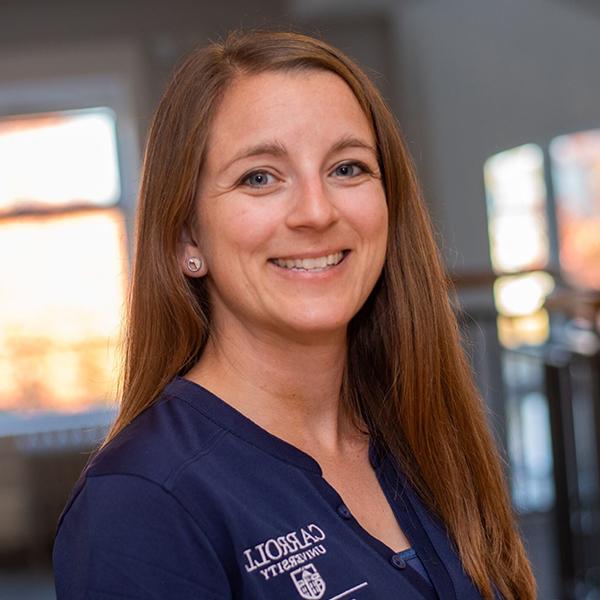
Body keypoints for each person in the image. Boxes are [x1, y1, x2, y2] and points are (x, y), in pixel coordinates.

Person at [53, 30, 536, 600]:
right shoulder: (141, 501)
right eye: (260, 177)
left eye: (348, 168)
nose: (316, 211)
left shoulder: (424, 437)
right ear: (187, 237)